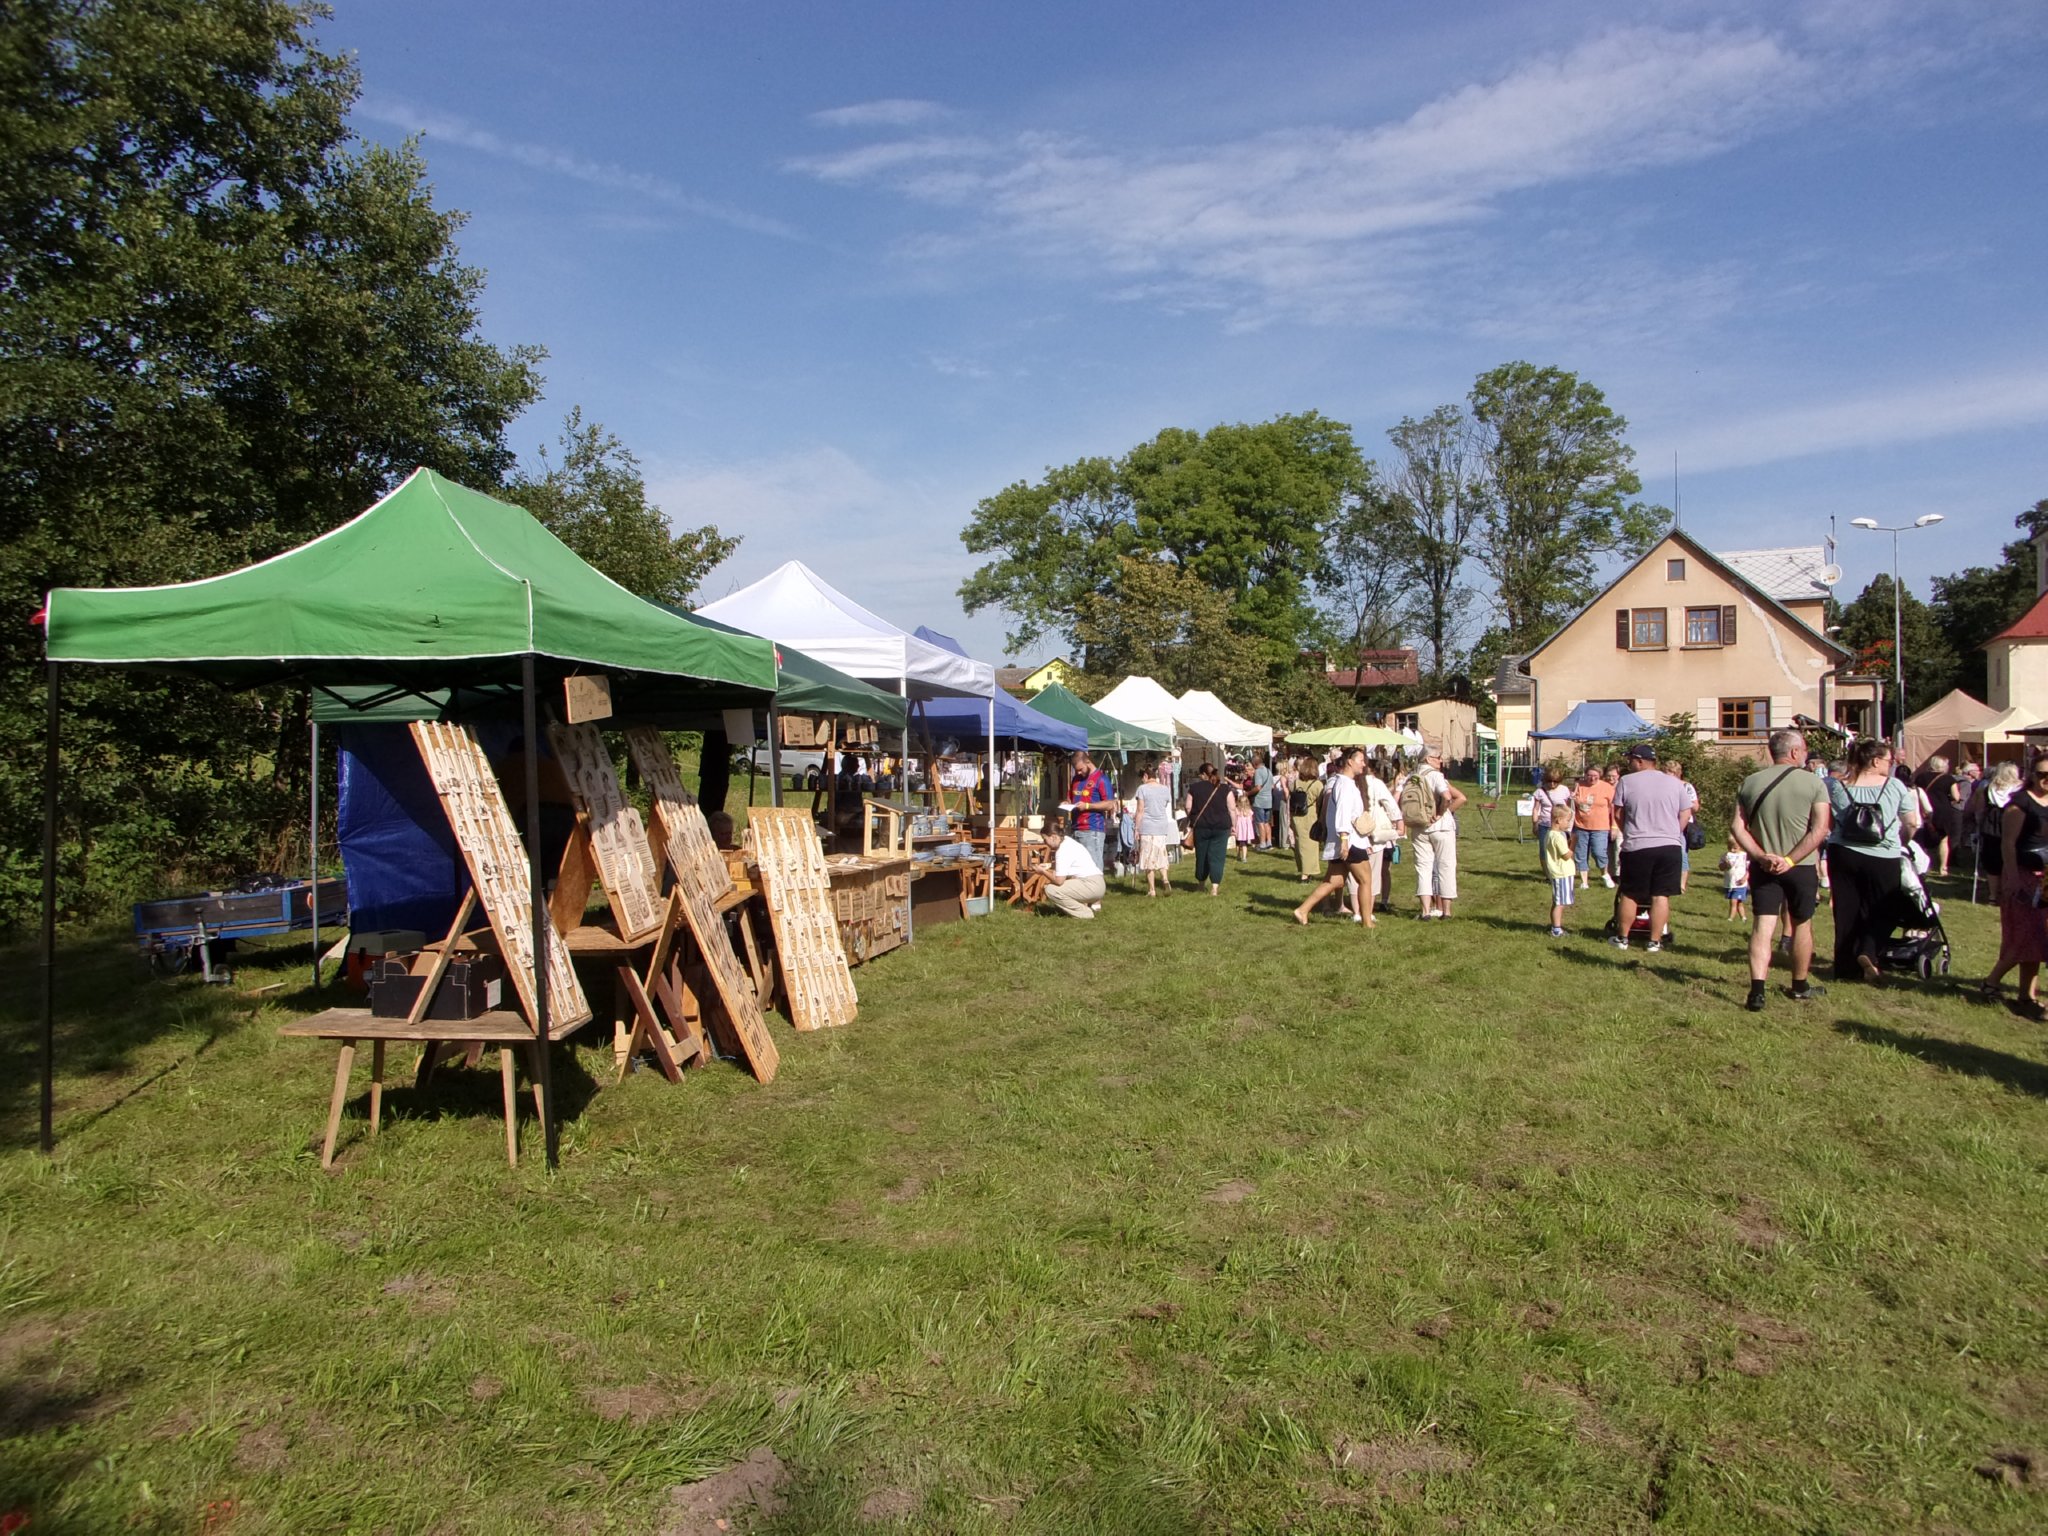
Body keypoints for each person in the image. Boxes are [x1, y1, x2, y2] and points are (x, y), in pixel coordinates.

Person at [1729, 728, 1832, 1011]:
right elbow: (1820, 829)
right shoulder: (1814, 783)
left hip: (1764, 866)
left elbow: (1737, 826)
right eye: (1805, 749)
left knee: (1762, 926)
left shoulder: (1750, 781)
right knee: (1801, 924)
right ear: (1795, 752)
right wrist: (1790, 860)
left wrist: (1760, 856)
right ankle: (1799, 985)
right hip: (1801, 865)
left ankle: (1757, 991)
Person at [1824, 737, 1920, 982]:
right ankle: (1868, 950)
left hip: (1843, 852)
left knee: (1846, 910)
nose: (1891, 764)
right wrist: (1902, 841)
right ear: (1876, 761)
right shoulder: (1894, 786)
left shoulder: (1837, 786)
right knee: (1885, 906)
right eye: (1889, 760)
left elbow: (1827, 819)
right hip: (1883, 854)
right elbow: (1911, 822)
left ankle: (1845, 968)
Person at [1982, 751, 2048, 1016]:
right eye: (2042, 774)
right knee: (2024, 937)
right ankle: (1991, 982)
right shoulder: (2020, 804)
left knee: (2038, 940)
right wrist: (2011, 878)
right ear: (2031, 774)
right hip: (2022, 876)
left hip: (2044, 876)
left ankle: (2026, 996)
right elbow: (2007, 844)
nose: (2046, 779)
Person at [1610, 742, 1688, 953]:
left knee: (1630, 893)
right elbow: (1685, 812)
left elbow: (1617, 812)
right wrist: (1674, 832)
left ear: (1639, 761)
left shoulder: (1626, 781)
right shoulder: (1675, 783)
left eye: (1630, 760)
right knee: (1661, 895)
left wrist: (1628, 829)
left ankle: (1622, 938)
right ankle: (1654, 941)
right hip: (1669, 846)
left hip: (1638, 845)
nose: (1629, 764)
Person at [1294, 748, 1373, 927]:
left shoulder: (1343, 783)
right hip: (1350, 841)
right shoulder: (1345, 784)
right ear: (1350, 762)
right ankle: (1367, 922)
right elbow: (1343, 814)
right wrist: (1344, 840)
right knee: (1365, 880)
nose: (1364, 764)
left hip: (1345, 840)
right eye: (1361, 760)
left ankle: (1302, 910)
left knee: (1335, 881)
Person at [1404, 744, 1467, 918]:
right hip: (1440, 826)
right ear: (1428, 759)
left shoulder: (1412, 776)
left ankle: (1425, 910)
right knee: (1446, 866)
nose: (1440, 761)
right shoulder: (1435, 776)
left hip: (1418, 825)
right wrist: (1440, 813)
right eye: (1437, 758)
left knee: (1423, 867)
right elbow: (1447, 796)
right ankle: (1446, 911)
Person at [1036, 816, 1107, 919]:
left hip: (1091, 885)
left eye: (1045, 839)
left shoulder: (1062, 851)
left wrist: (1043, 872)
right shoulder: (1068, 842)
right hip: (1098, 883)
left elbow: (1059, 881)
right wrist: (1048, 866)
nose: (1044, 843)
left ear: (1053, 837)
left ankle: (1084, 913)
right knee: (1066, 882)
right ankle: (1080, 908)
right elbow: (1067, 863)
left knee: (1051, 889)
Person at [1184, 762, 1234, 896]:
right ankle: (1215, 887)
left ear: (1203, 774)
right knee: (1218, 856)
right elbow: (1232, 809)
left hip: (1201, 826)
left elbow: (1188, 807)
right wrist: (1234, 825)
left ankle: (1201, 883)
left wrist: (1193, 818)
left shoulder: (1194, 788)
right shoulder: (1225, 788)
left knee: (1201, 855)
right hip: (1221, 826)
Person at [1133, 762, 1178, 897]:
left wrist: (1136, 828)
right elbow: (1164, 804)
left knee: (1148, 858)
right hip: (1161, 825)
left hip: (1147, 826)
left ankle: (1152, 889)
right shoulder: (1164, 789)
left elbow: (1140, 810)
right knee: (1161, 853)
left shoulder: (1142, 789)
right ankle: (1165, 879)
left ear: (1146, 776)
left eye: (1142, 777)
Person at [1066, 751, 1115, 874]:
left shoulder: (1101, 779)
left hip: (1092, 829)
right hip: (1075, 828)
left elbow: (1110, 804)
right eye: (1076, 770)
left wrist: (1087, 806)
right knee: (1078, 868)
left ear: (1088, 762)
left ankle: (1097, 885)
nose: (1078, 772)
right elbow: (1070, 798)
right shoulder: (1076, 779)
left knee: (1093, 867)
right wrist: (1066, 803)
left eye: (1080, 769)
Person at [1915, 755, 1962, 877]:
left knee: (1923, 838)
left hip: (1924, 809)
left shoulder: (1920, 777)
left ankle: (1924, 866)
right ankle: (1943, 868)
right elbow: (1956, 797)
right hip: (1943, 811)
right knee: (1943, 839)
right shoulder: (1949, 779)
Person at [1571, 768, 1615, 891]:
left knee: (1599, 852)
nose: (1592, 778)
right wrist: (1572, 798)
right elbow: (1572, 804)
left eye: (1595, 775)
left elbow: (1613, 808)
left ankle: (1605, 874)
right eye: (1589, 775)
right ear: (1585, 775)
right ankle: (1584, 882)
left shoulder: (1607, 787)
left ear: (1600, 775)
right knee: (1580, 854)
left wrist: (1614, 826)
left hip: (1600, 826)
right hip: (1581, 825)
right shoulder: (1579, 786)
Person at [1543, 801, 1576, 937]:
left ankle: (1555, 926)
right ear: (1558, 820)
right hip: (1561, 873)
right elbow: (1566, 855)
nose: (1568, 824)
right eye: (1567, 820)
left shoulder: (1551, 834)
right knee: (1560, 903)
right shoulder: (1556, 837)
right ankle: (1556, 929)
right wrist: (1573, 843)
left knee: (1558, 901)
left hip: (1561, 872)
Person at [1290, 756, 1324, 881]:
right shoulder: (1317, 785)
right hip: (1310, 816)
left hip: (1296, 815)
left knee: (1300, 843)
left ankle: (1304, 870)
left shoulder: (1296, 783)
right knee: (1310, 845)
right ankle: (1306, 873)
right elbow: (1320, 802)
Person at [1251, 751, 1275, 850]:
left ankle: (1262, 843)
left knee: (1260, 822)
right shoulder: (1269, 771)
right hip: (1269, 800)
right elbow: (1272, 786)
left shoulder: (1258, 772)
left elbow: (1258, 787)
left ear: (1255, 763)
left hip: (1260, 801)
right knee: (1266, 822)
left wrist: (1248, 793)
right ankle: (1269, 842)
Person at [1722, 842, 1749, 921]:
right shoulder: (1725, 855)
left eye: (1734, 848)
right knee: (1739, 902)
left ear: (1740, 847)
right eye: (1729, 848)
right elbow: (1721, 867)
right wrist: (1725, 864)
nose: (1732, 850)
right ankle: (1743, 917)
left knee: (1733, 901)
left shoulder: (1744, 855)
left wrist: (1745, 877)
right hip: (1730, 883)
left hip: (1740, 883)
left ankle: (1730, 918)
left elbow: (1749, 869)